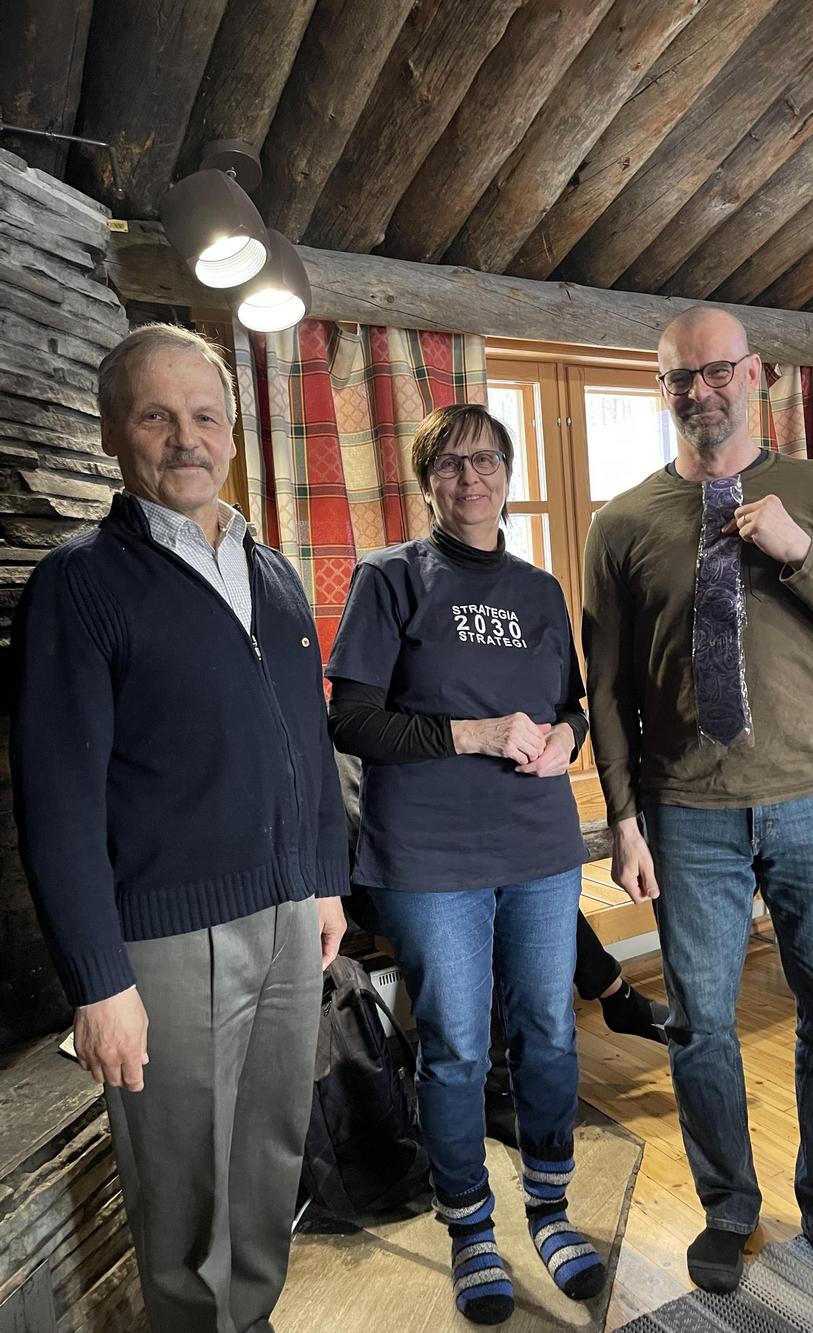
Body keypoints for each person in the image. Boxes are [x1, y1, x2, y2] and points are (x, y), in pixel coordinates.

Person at [10, 324, 351, 1333]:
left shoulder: (273, 573)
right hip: (163, 943)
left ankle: (253, 1319)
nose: (185, 438)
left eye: (205, 416)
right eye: (156, 416)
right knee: (184, 1194)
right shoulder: (79, 584)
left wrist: (324, 877)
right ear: (112, 432)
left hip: (288, 917)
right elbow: (57, 799)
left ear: (233, 434)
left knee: (269, 1160)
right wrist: (97, 981)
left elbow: (307, 738)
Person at [583, 307, 813, 1312]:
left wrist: (799, 551)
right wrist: (623, 817)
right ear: (663, 389)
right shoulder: (620, 523)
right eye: (679, 377)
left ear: (757, 374)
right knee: (699, 1029)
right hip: (687, 814)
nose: (700, 391)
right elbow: (605, 687)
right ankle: (728, 1208)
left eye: (717, 370)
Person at [326, 403, 605, 1326]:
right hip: (429, 856)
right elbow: (351, 719)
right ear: (427, 483)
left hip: (540, 847)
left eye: (486, 459)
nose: (471, 476)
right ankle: (471, 1228)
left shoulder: (540, 589)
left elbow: (573, 707)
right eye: (449, 463)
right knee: (456, 1046)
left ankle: (551, 1210)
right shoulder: (391, 577)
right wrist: (472, 733)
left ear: (509, 473)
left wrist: (567, 736)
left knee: (550, 1032)